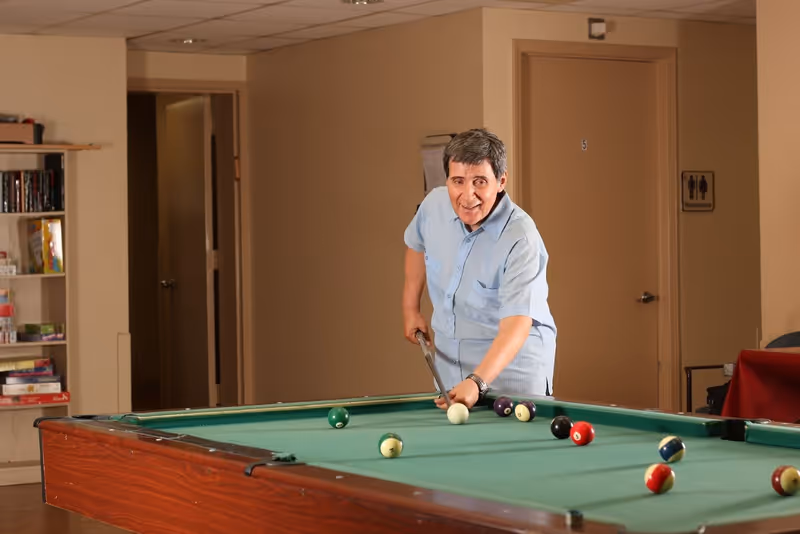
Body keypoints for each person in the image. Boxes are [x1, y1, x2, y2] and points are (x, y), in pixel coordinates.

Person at [402, 128, 556, 410]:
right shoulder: (433, 206)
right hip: (450, 372)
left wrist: (478, 382)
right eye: (458, 181)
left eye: (480, 182)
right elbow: (416, 243)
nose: (467, 195)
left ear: (501, 181)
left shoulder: (522, 238)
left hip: (513, 377)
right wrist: (411, 309)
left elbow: (517, 324)